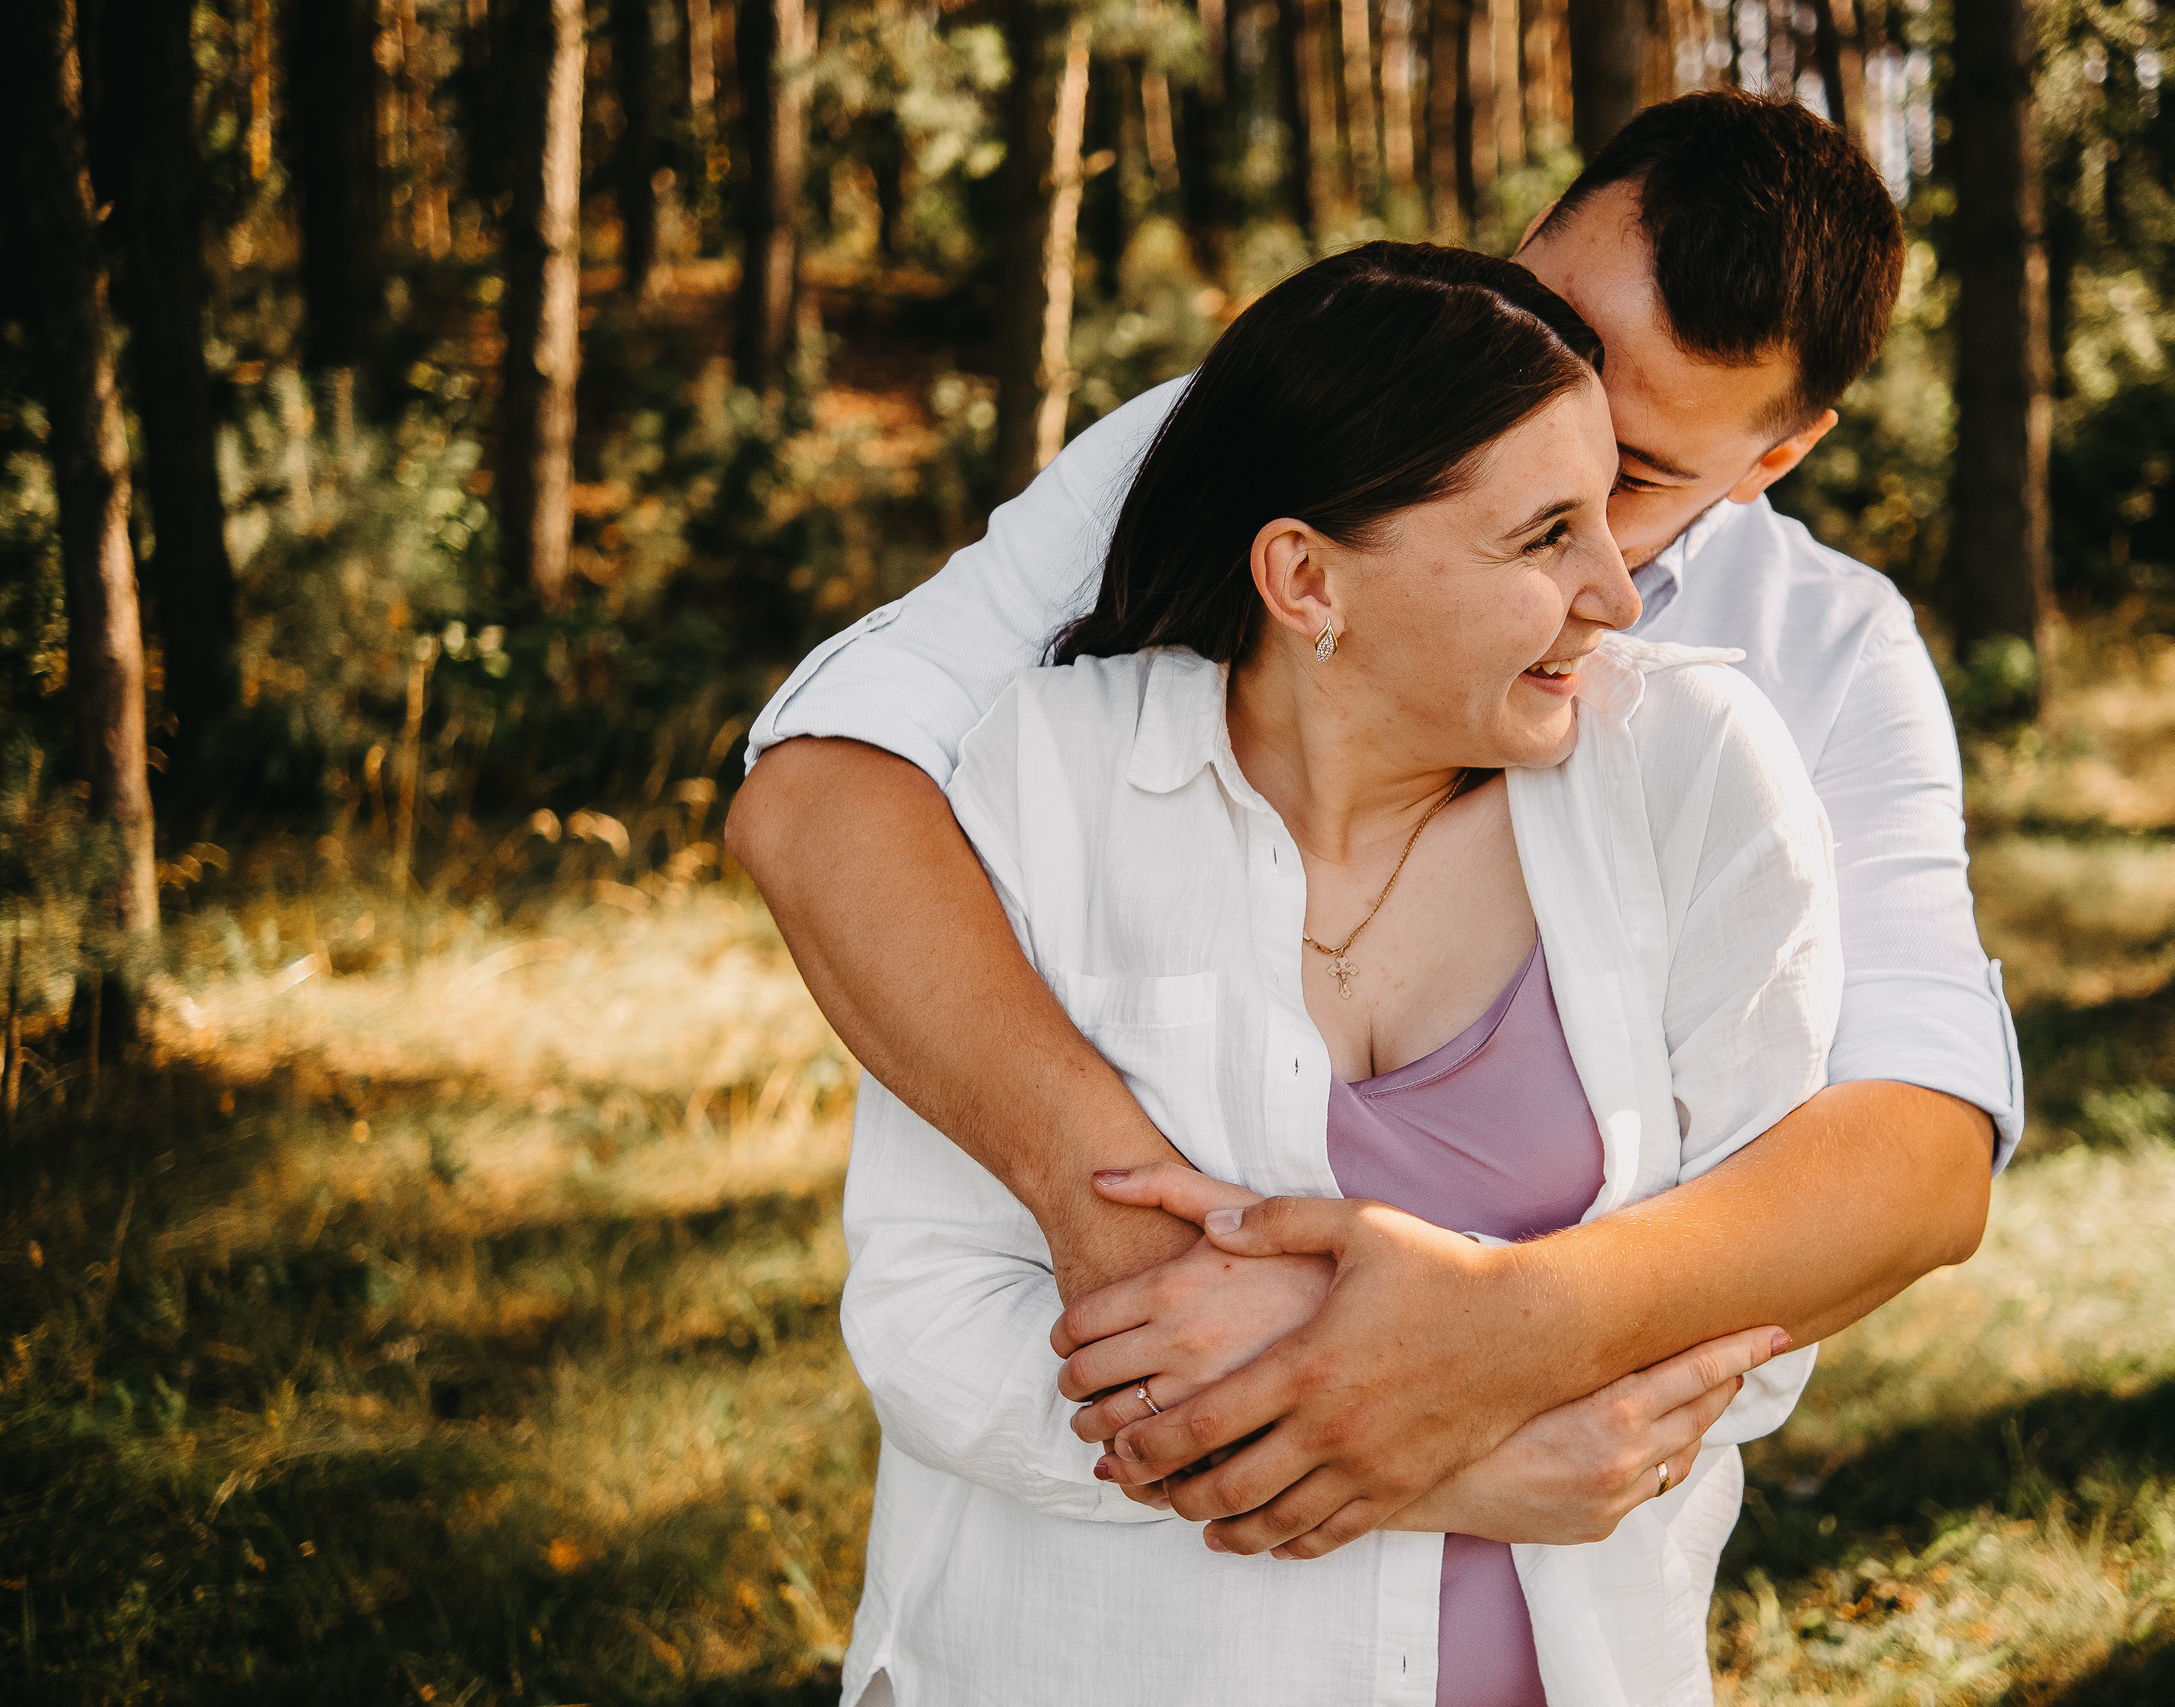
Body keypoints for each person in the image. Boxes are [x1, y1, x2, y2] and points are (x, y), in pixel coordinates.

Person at [732, 88, 2015, 1586]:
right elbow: (821, 789)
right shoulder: (1267, 442)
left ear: (1775, 457)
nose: (1552, 415)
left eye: (1633, 473)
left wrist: (1494, 1340)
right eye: (1551, 323)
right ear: (1529, 236)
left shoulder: (1824, 657)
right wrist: (1140, 1239)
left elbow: (1922, 1152)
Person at [840, 242, 1840, 1705]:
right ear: (1307, 577)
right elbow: (929, 1319)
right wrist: (1447, 1456)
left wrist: (1330, 1382)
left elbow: (1757, 1320)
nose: (1618, 595)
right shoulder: (1042, 781)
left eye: (1609, 516)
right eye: (1544, 537)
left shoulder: (1694, 772)